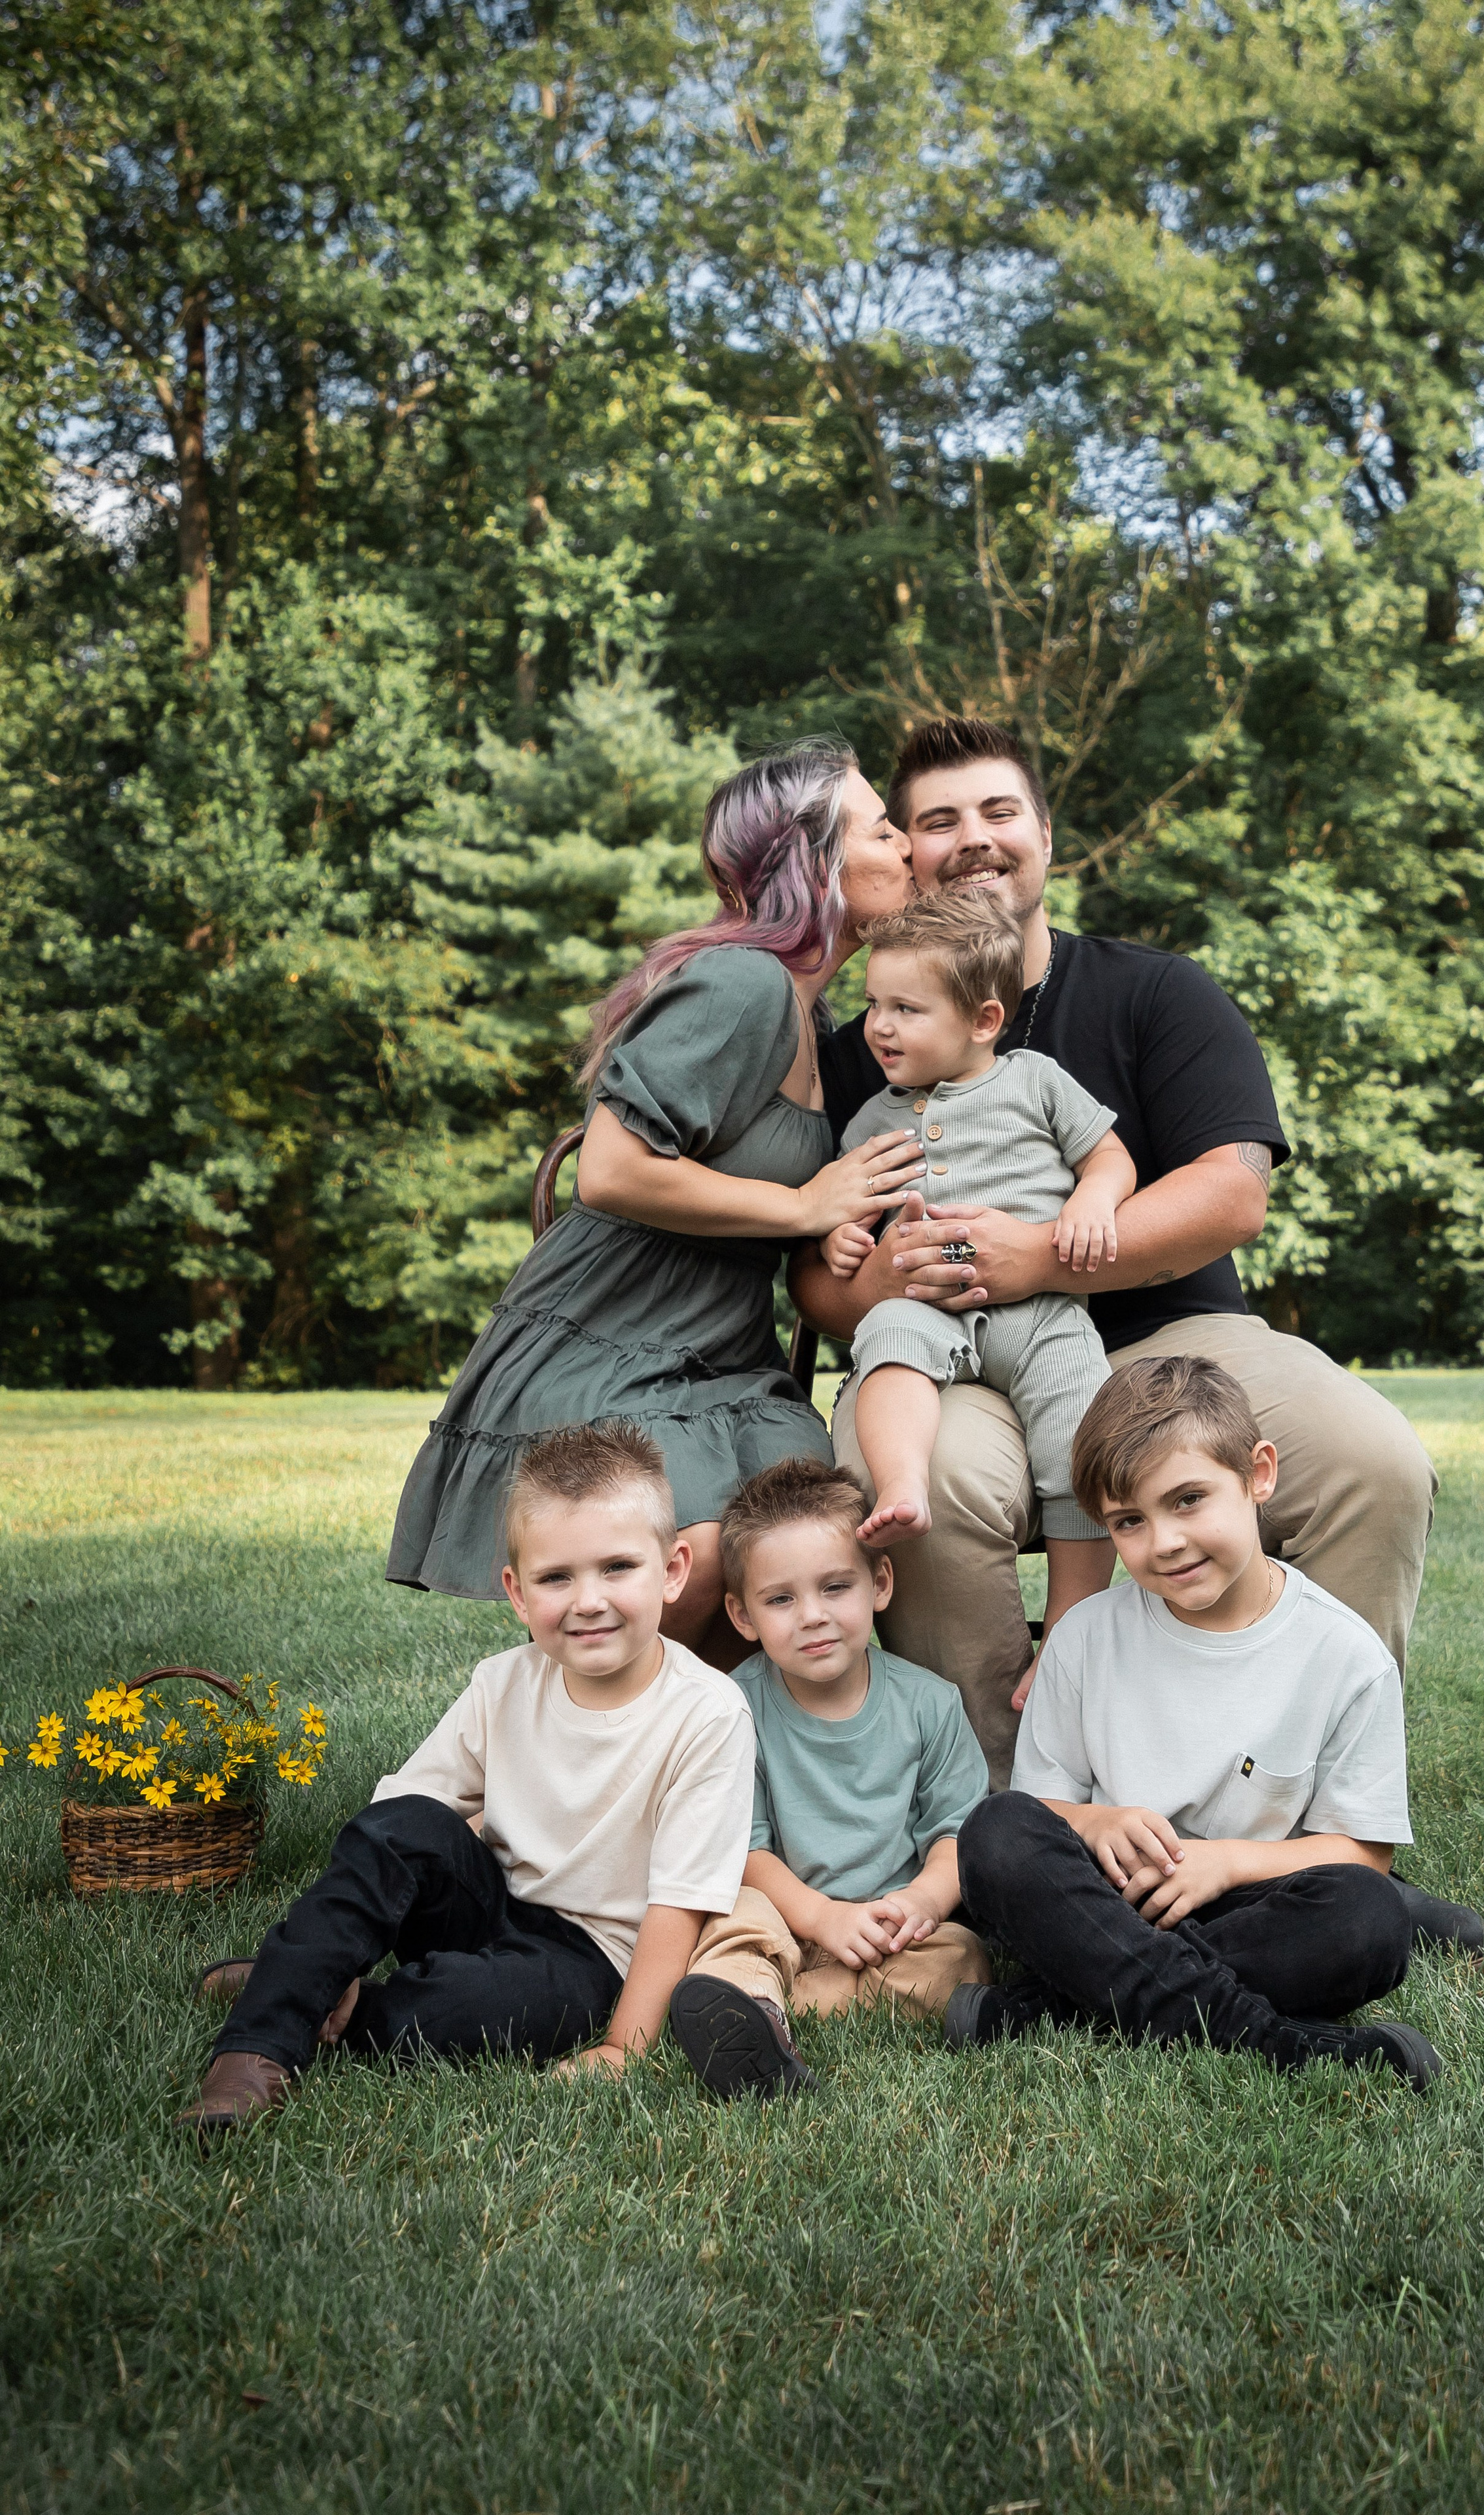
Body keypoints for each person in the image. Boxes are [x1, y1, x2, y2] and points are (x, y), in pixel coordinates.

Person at [795, 715, 1438, 1788]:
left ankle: (1311, 1802)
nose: (976, 838)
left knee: (1372, 1462)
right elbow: (817, 1282)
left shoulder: (1157, 993)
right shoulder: (869, 1037)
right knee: (924, 1480)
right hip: (952, 1348)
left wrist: (1043, 1257)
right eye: (939, 821)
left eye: (1000, 811)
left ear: (1046, 833)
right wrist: (894, 1270)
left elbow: (1233, 1193)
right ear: (905, 852)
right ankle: (1010, 1829)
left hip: (1174, 1340)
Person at [387, 739, 922, 1666]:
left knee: (795, 1544)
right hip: (607, 1332)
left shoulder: (818, 1015)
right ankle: (567, 1767)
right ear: (818, 858)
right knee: (698, 1557)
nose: (909, 846)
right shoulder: (744, 983)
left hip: (719, 1355)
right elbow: (612, 1170)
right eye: (883, 828)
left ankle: (719, 1775)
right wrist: (805, 1207)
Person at [178, 1423, 754, 2135]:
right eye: (555, 1577)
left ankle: (313, 1983)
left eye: (617, 1567)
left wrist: (621, 2046)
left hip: (589, 1958)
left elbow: (679, 1904)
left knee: (458, 2014)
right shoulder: (503, 1682)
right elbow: (399, 1818)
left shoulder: (707, 1713)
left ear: (672, 1569)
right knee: (404, 1823)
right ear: (516, 1591)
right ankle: (256, 2047)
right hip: (488, 1896)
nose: (588, 1600)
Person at [947, 1356, 1443, 2091]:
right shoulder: (1085, 1635)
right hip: (1109, 1894)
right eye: (1129, 1521)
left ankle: (1049, 2008)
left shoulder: (1344, 1655)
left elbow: (1361, 1856)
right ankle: (1275, 2042)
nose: (1165, 1541)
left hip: (1244, 1899)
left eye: (1188, 1499)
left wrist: (1229, 1862)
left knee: (1367, 1917)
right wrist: (1097, 1823)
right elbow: (1040, 1809)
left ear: (1258, 1473)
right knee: (994, 1834)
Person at [822, 890, 1136, 1656]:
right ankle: (901, 1485)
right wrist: (842, 1237)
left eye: (907, 1008)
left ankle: (1069, 1622)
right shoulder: (873, 1120)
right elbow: (851, 1210)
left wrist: (1094, 1198)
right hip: (929, 1307)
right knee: (887, 1343)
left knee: (1077, 1422)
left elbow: (1108, 1155)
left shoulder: (1034, 1080)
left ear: (983, 1020)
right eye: (872, 1004)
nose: (879, 1026)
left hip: (1040, 1312)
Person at [667, 1457, 992, 2100]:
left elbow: (956, 1833)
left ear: (880, 1583)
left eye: (835, 1587)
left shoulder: (929, 1704)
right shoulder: (733, 1707)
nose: (811, 1615)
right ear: (741, 1615)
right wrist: (820, 1918)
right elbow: (744, 1851)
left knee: (961, 1956)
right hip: (783, 1915)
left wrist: (920, 1903)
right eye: (781, 1599)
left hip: (887, 1926)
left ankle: (785, 2010)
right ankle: (752, 2007)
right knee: (730, 1916)